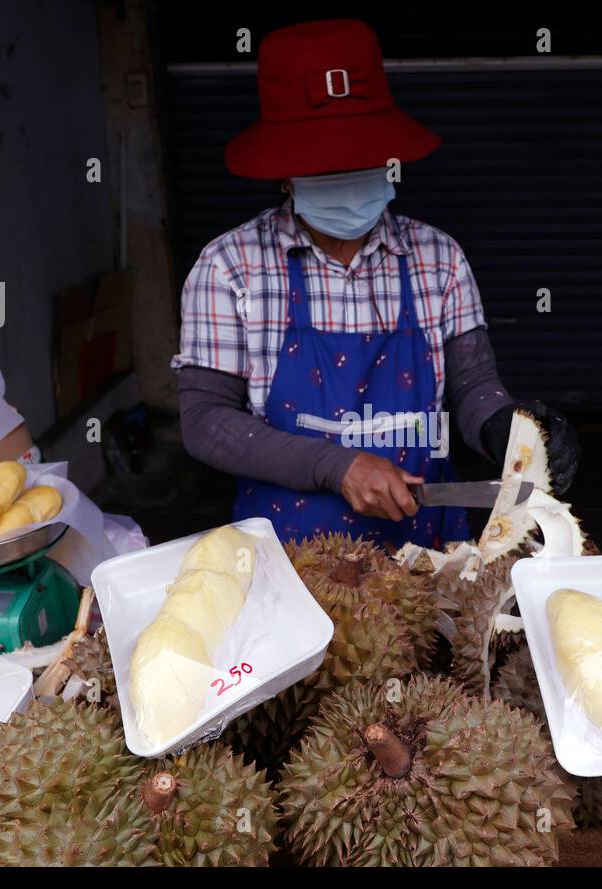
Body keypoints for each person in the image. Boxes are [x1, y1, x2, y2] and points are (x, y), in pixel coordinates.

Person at [174, 18, 578, 547]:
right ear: (284, 174)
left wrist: (513, 429)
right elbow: (206, 420)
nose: (345, 173)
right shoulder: (229, 266)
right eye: (324, 164)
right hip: (288, 557)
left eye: (360, 157)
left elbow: (475, 388)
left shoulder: (438, 258)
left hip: (426, 549)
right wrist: (334, 464)